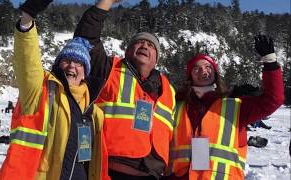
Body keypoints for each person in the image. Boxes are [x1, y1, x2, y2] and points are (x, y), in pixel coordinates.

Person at [0, 1, 108, 180]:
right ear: (58, 65)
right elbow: (28, 63)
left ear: (85, 73)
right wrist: (27, 20)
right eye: (67, 60)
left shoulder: (94, 113)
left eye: (79, 63)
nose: (72, 65)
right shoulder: (40, 91)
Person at [74, 0, 176, 179]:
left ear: (156, 59)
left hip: (152, 175)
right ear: (128, 51)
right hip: (109, 170)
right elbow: (86, 38)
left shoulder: (169, 90)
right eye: (139, 43)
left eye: (151, 46)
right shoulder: (108, 69)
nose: (145, 46)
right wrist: (106, 2)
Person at [166, 35, 284, 179]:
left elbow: (273, 100)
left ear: (215, 74)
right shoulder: (176, 106)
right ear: (190, 76)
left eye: (208, 67)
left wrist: (270, 62)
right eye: (196, 68)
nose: (203, 71)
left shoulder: (234, 106)